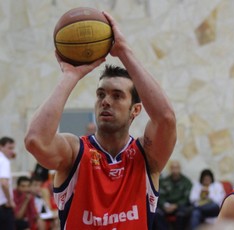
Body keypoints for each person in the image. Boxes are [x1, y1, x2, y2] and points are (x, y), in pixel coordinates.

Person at [24, 11, 176, 230]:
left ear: (135, 110)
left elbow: (166, 118)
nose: (105, 101)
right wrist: (70, 76)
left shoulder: (147, 155)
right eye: (101, 94)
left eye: (117, 95)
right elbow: (35, 141)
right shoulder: (74, 152)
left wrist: (124, 51)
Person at [154, 160, 192, 230]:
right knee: (156, 213)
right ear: (170, 169)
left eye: (176, 168)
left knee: (183, 213)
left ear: (180, 169)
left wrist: (175, 206)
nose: (175, 170)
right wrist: (165, 205)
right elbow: (161, 197)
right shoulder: (164, 181)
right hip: (166, 207)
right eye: (173, 168)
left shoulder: (186, 182)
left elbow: (186, 198)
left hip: (179, 207)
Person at [0, 136, 16, 230]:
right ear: (1, 146)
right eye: (9, 148)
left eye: (13, 148)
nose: (12, 151)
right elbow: (4, 183)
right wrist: (10, 201)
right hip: (3, 206)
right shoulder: (4, 161)